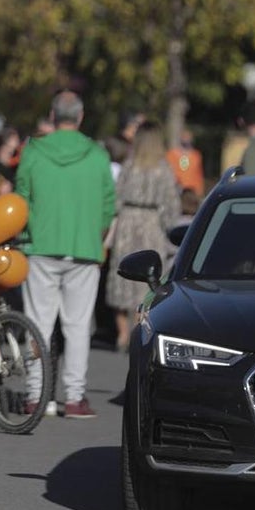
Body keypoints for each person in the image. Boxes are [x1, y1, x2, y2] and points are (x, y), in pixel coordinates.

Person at [15, 90, 115, 419]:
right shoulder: (97, 154)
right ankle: (74, 397)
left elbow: (21, 198)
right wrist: (96, 236)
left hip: (40, 246)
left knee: (38, 324)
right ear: (81, 116)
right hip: (84, 247)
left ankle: (36, 396)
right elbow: (108, 205)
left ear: (52, 116)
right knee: (77, 327)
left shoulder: (34, 151)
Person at [105, 121, 180, 352]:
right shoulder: (164, 169)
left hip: (128, 222)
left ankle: (122, 333)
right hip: (151, 224)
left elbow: (116, 198)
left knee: (122, 277)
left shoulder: (129, 165)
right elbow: (170, 205)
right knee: (146, 280)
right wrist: (170, 229)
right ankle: (139, 328)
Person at [165, 127, 205, 197]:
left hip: (192, 193)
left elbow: (199, 175)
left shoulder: (196, 155)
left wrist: (199, 192)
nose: (186, 139)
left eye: (188, 137)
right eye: (184, 136)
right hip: (176, 192)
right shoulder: (171, 155)